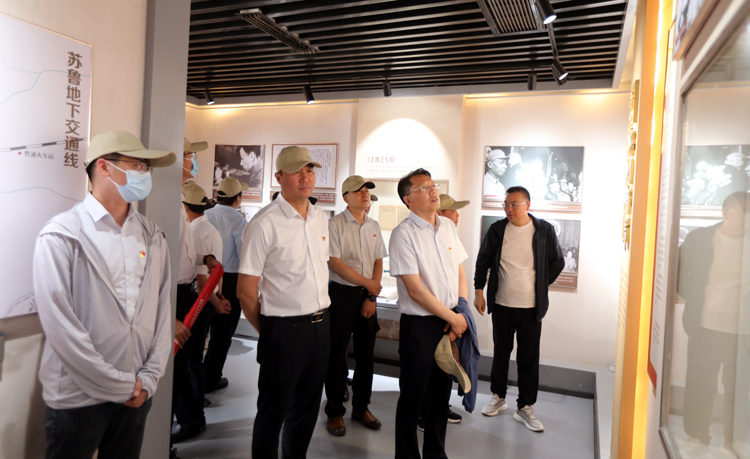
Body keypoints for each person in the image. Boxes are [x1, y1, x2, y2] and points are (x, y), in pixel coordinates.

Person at [34, 130, 175, 458]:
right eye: (138, 164)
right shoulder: (62, 235)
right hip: (77, 397)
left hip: (136, 394)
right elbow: (60, 326)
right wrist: (119, 385)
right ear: (104, 167)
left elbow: (162, 313)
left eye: (146, 167)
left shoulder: (152, 236)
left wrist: (149, 378)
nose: (145, 173)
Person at [237, 146, 331, 459]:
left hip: (321, 326)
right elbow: (246, 291)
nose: (305, 177)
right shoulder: (264, 223)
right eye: (296, 171)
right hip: (283, 330)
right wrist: (269, 330)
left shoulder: (319, 217)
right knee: (273, 412)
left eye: (310, 170)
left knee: (307, 409)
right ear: (279, 177)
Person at [390, 168, 469, 459]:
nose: (433, 190)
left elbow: (459, 271)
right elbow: (415, 290)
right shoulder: (403, 234)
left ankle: (436, 452)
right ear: (408, 199)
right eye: (424, 187)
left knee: (440, 394)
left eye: (433, 185)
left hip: (450, 321)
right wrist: (452, 317)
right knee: (413, 396)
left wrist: (461, 309)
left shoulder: (447, 226)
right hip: (420, 325)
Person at [474, 186, 564, 432]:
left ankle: (525, 406)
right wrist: (479, 291)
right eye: (506, 204)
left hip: (531, 307)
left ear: (528, 205)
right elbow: (482, 261)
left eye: (514, 204)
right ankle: (498, 396)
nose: (509, 209)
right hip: (502, 304)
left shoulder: (544, 230)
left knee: (528, 357)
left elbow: (557, 261)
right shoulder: (497, 229)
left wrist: (540, 283)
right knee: (501, 353)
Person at [677, 191, 750, 459]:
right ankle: (697, 436)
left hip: (743, 331)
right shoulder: (700, 239)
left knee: (741, 388)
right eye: (742, 214)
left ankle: (735, 440)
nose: (746, 220)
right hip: (705, 326)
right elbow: (681, 276)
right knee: (700, 384)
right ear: (725, 213)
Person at [171, 139, 228, 447]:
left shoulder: (186, 215)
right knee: (183, 365)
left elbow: (190, 262)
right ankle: (186, 422)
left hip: (187, 296)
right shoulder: (171, 204)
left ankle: (189, 421)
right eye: (189, 155)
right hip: (176, 295)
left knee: (186, 364)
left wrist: (204, 260)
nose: (192, 161)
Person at [324, 175, 387, 437]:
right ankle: (334, 411)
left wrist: (371, 295)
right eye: (358, 191)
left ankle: (361, 408)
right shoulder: (335, 225)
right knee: (336, 355)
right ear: (345, 197)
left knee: (366, 355)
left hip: (367, 296)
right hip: (340, 295)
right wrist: (369, 285)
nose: (365, 194)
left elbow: (378, 260)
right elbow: (335, 263)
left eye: (367, 191)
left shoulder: (374, 225)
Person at [203, 177, 250, 394]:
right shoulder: (239, 221)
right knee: (222, 335)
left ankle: (194, 380)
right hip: (229, 281)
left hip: (203, 277)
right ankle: (211, 378)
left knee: (200, 332)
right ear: (238, 199)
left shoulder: (205, 214)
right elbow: (243, 256)